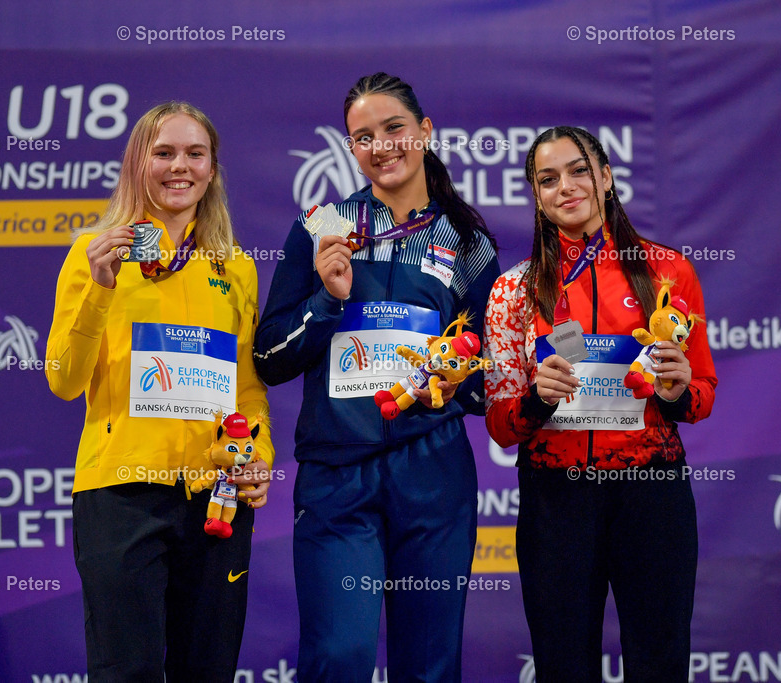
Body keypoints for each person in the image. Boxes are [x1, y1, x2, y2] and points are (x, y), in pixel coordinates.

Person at [253, 72, 500, 682]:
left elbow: (489, 374)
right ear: (350, 149)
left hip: (433, 474)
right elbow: (269, 358)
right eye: (363, 137)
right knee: (339, 656)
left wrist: (450, 376)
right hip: (337, 478)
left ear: (425, 132)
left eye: (394, 129)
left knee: (430, 666)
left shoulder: (468, 240)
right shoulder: (320, 226)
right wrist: (325, 303)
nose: (381, 146)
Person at [45, 101, 273, 682]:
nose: (181, 167)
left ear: (213, 170)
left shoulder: (236, 267)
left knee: (208, 670)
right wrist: (98, 288)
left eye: (195, 154)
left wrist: (259, 460)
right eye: (164, 152)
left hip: (217, 497)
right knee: (130, 671)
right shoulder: (93, 254)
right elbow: (63, 380)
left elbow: (246, 388)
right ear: (136, 165)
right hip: (121, 495)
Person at [483, 126, 717, 682]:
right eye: (547, 178)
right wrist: (537, 401)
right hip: (556, 500)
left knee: (659, 663)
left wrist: (678, 389)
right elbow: (500, 424)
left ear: (606, 178)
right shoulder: (513, 291)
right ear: (535, 195)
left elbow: (703, 393)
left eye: (579, 170)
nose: (565, 186)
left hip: (652, 494)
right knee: (563, 667)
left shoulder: (667, 270)